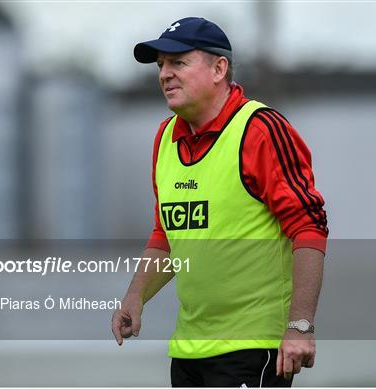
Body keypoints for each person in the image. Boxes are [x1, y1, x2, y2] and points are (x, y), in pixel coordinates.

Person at [112, 16, 328, 387]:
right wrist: (135, 297)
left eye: (178, 62)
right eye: (161, 65)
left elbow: (309, 228)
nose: (165, 74)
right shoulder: (166, 139)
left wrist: (300, 326)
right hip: (189, 350)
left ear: (219, 69)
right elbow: (167, 233)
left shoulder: (260, 129)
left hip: (252, 348)